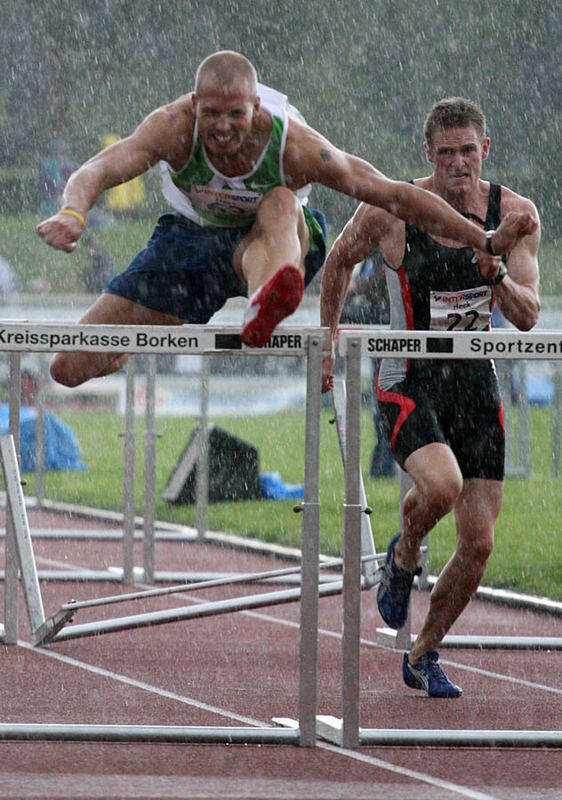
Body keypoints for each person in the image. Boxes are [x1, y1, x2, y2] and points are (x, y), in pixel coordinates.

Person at [37, 52, 535, 389]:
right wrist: (72, 211)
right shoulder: (171, 128)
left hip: (279, 240)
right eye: (212, 114)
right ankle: (136, 345)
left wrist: (483, 238)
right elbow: (100, 168)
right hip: (193, 241)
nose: (224, 128)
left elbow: (393, 195)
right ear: (194, 106)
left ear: (257, 108)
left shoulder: (294, 145)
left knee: (278, 202)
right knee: (67, 366)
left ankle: (266, 300)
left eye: (236, 113)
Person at [320, 97, 540, 697]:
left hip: (476, 384)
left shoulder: (515, 214)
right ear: (429, 156)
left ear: (485, 151)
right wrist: (327, 338)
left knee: (480, 542)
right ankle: (405, 552)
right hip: (408, 379)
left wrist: (492, 270)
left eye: (468, 150)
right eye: (446, 153)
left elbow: (526, 316)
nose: (458, 164)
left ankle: (423, 652)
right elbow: (338, 261)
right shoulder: (394, 208)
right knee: (440, 486)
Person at [340, 252, 394, 477]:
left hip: (390, 336)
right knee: (381, 406)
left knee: (387, 404)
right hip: (381, 335)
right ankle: (382, 466)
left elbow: (383, 280)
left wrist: (354, 287)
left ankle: (386, 465)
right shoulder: (371, 255)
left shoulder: (384, 248)